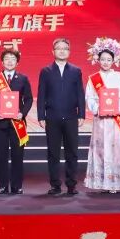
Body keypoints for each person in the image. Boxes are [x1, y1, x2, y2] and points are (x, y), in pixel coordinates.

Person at [36, 38, 86, 196]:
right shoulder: (46, 71)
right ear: (53, 51)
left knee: (72, 152)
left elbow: (80, 93)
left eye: (65, 48)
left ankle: (71, 185)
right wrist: (41, 116)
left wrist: (81, 114)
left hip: (71, 116)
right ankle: (55, 185)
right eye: (59, 48)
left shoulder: (76, 71)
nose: (62, 51)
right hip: (52, 117)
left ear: (69, 52)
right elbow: (41, 94)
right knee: (53, 153)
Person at [84, 38, 120, 194]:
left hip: (115, 120)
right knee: (101, 149)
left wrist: (119, 108)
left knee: (116, 150)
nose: (105, 62)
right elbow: (89, 97)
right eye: (103, 59)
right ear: (98, 60)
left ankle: (115, 182)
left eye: (109, 59)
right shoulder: (93, 79)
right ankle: (100, 181)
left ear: (114, 60)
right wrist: (97, 109)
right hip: (101, 120)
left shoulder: (119, 76)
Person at [0, 48, 33, 195]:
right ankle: (3, 186)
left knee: (18, 155)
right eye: (6, 59)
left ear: (17, 62)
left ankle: (17, 186)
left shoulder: (23, 79)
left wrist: (22, 113)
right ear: (2, 62)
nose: (9, 61)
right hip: (0, 123)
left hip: (18, 123)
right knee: (1, 155)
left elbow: (29, 99)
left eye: (13, 59)